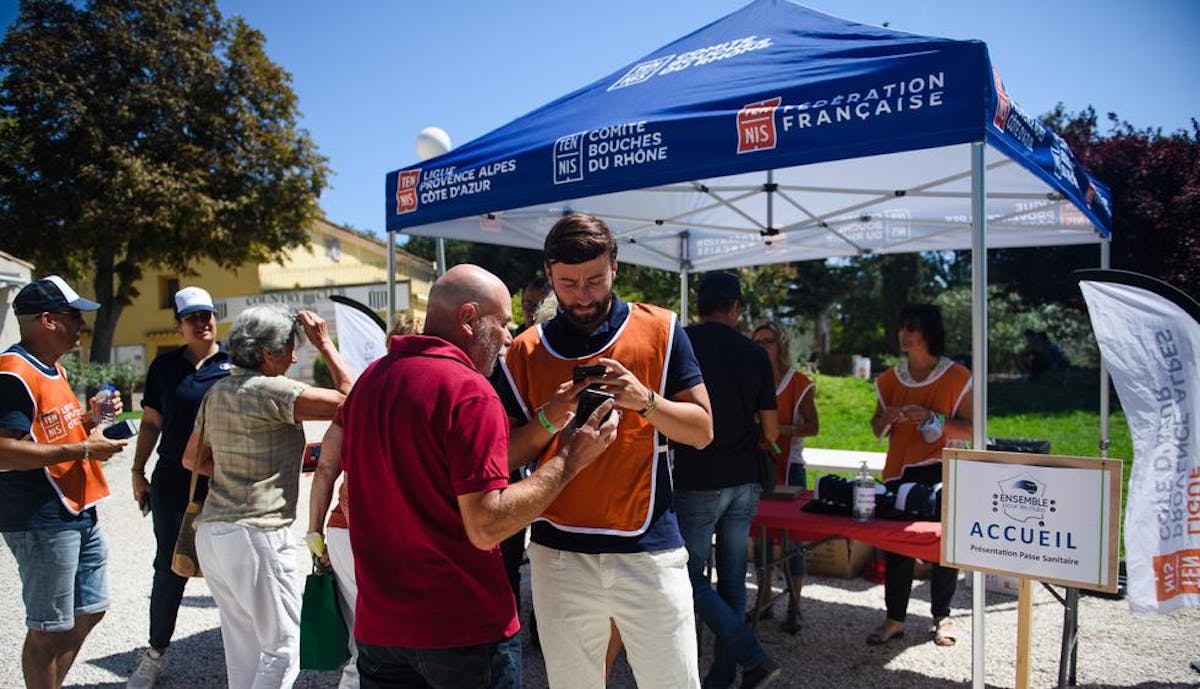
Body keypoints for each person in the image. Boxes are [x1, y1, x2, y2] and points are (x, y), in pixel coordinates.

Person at [340, 264, 618, 689]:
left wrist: (546, 419)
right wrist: (568, 461)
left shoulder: (370, 381)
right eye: (503, 323)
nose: (509, 336)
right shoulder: (468, 390)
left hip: (381, 631)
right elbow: (487, 525)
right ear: (468, 318)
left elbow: (463, 470)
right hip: (463, 632)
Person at [499, 213, 714, 689]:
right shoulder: (524, 349)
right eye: (568, 282)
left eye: (595, 279)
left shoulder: (662, 328)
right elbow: (505, 456)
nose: (583, 295)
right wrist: (551, 417)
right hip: (559, 554)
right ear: (549, 276)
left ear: (615, 265)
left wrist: (645, 400)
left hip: (649, 549)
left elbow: (702, 431)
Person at [183, 305, 351, 689]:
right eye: (290, 349)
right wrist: (325, 345)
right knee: (284, 648)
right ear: (266, 354)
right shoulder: (274, 390)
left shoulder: (217, 391)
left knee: (244, 651)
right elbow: (355, 399)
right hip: (256, 533)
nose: (295, 356)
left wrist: (241, 472)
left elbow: (192, 458)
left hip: (213, 534)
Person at [0, 276, 130, 689]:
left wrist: (91, 420)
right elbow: (4, 451)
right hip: (41, 517)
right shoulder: (12, 373)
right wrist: (84, 451)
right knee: (48, 627)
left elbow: (52, 432)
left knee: (90, 608)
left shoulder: (49, 368)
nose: (81, 326)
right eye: (74, 317)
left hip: (75, 509)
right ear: (46, 321)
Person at [674, 272, 781, 689]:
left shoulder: (682, 343)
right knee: (733, 581)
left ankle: (746, 660)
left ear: (700, 304)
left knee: (686, 578)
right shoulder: (754, 354)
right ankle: (726, 675)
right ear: (735, 307)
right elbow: (771, 433)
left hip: (697, 475)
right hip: (744, 480)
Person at [126, 287, 231, 689]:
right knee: (170, 567)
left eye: (208, 314)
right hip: (173, 479)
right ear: (179, 325)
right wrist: (138, 469)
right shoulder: (165, 366)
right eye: (193, 318)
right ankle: (154, 654)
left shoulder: (235, 362)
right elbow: (151, 421)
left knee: (230, 565)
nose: (203, 322)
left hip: (225, 477)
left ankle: (241, 651)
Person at [307, 317, 419, 689]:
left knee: (363, 643)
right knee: (402, 644)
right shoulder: (429, 391)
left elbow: (325, 468)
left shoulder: (364, 391)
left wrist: (313, 534)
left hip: (343, 532)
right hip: (393, 534)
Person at [867, 303, 971, 647]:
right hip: (899, 472)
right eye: (902, 326)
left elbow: (973, 430)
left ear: (929, 332)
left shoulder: (958, 377)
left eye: (912, 327)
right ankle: (894, 618)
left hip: (943, 469)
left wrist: (933, 418)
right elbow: (875, 426)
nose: (903, 334)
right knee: (896, 546)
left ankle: (943, 616)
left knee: (944, 544)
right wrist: (887, 418)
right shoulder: (888, 379)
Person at [750, 321, 819, 635]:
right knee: (760, 538)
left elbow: (812, 426)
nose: (762, 347)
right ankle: (764, 599)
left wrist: (778, 430)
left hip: (789, 467)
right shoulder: (750, 380)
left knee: (793, 541)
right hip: (759, 466)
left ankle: (795, 605)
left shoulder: (799, 382)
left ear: (781, 345)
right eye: (756, 342)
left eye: (767, 341)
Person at [494, 276, 553, 633]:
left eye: (535, 305)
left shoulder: (531, 348)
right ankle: (514, 627)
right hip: (515, 473)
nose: (529, 312)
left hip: (537, 472)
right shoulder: (514, 349)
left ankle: (532, 626)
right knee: (510, 561)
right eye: (526, 305)